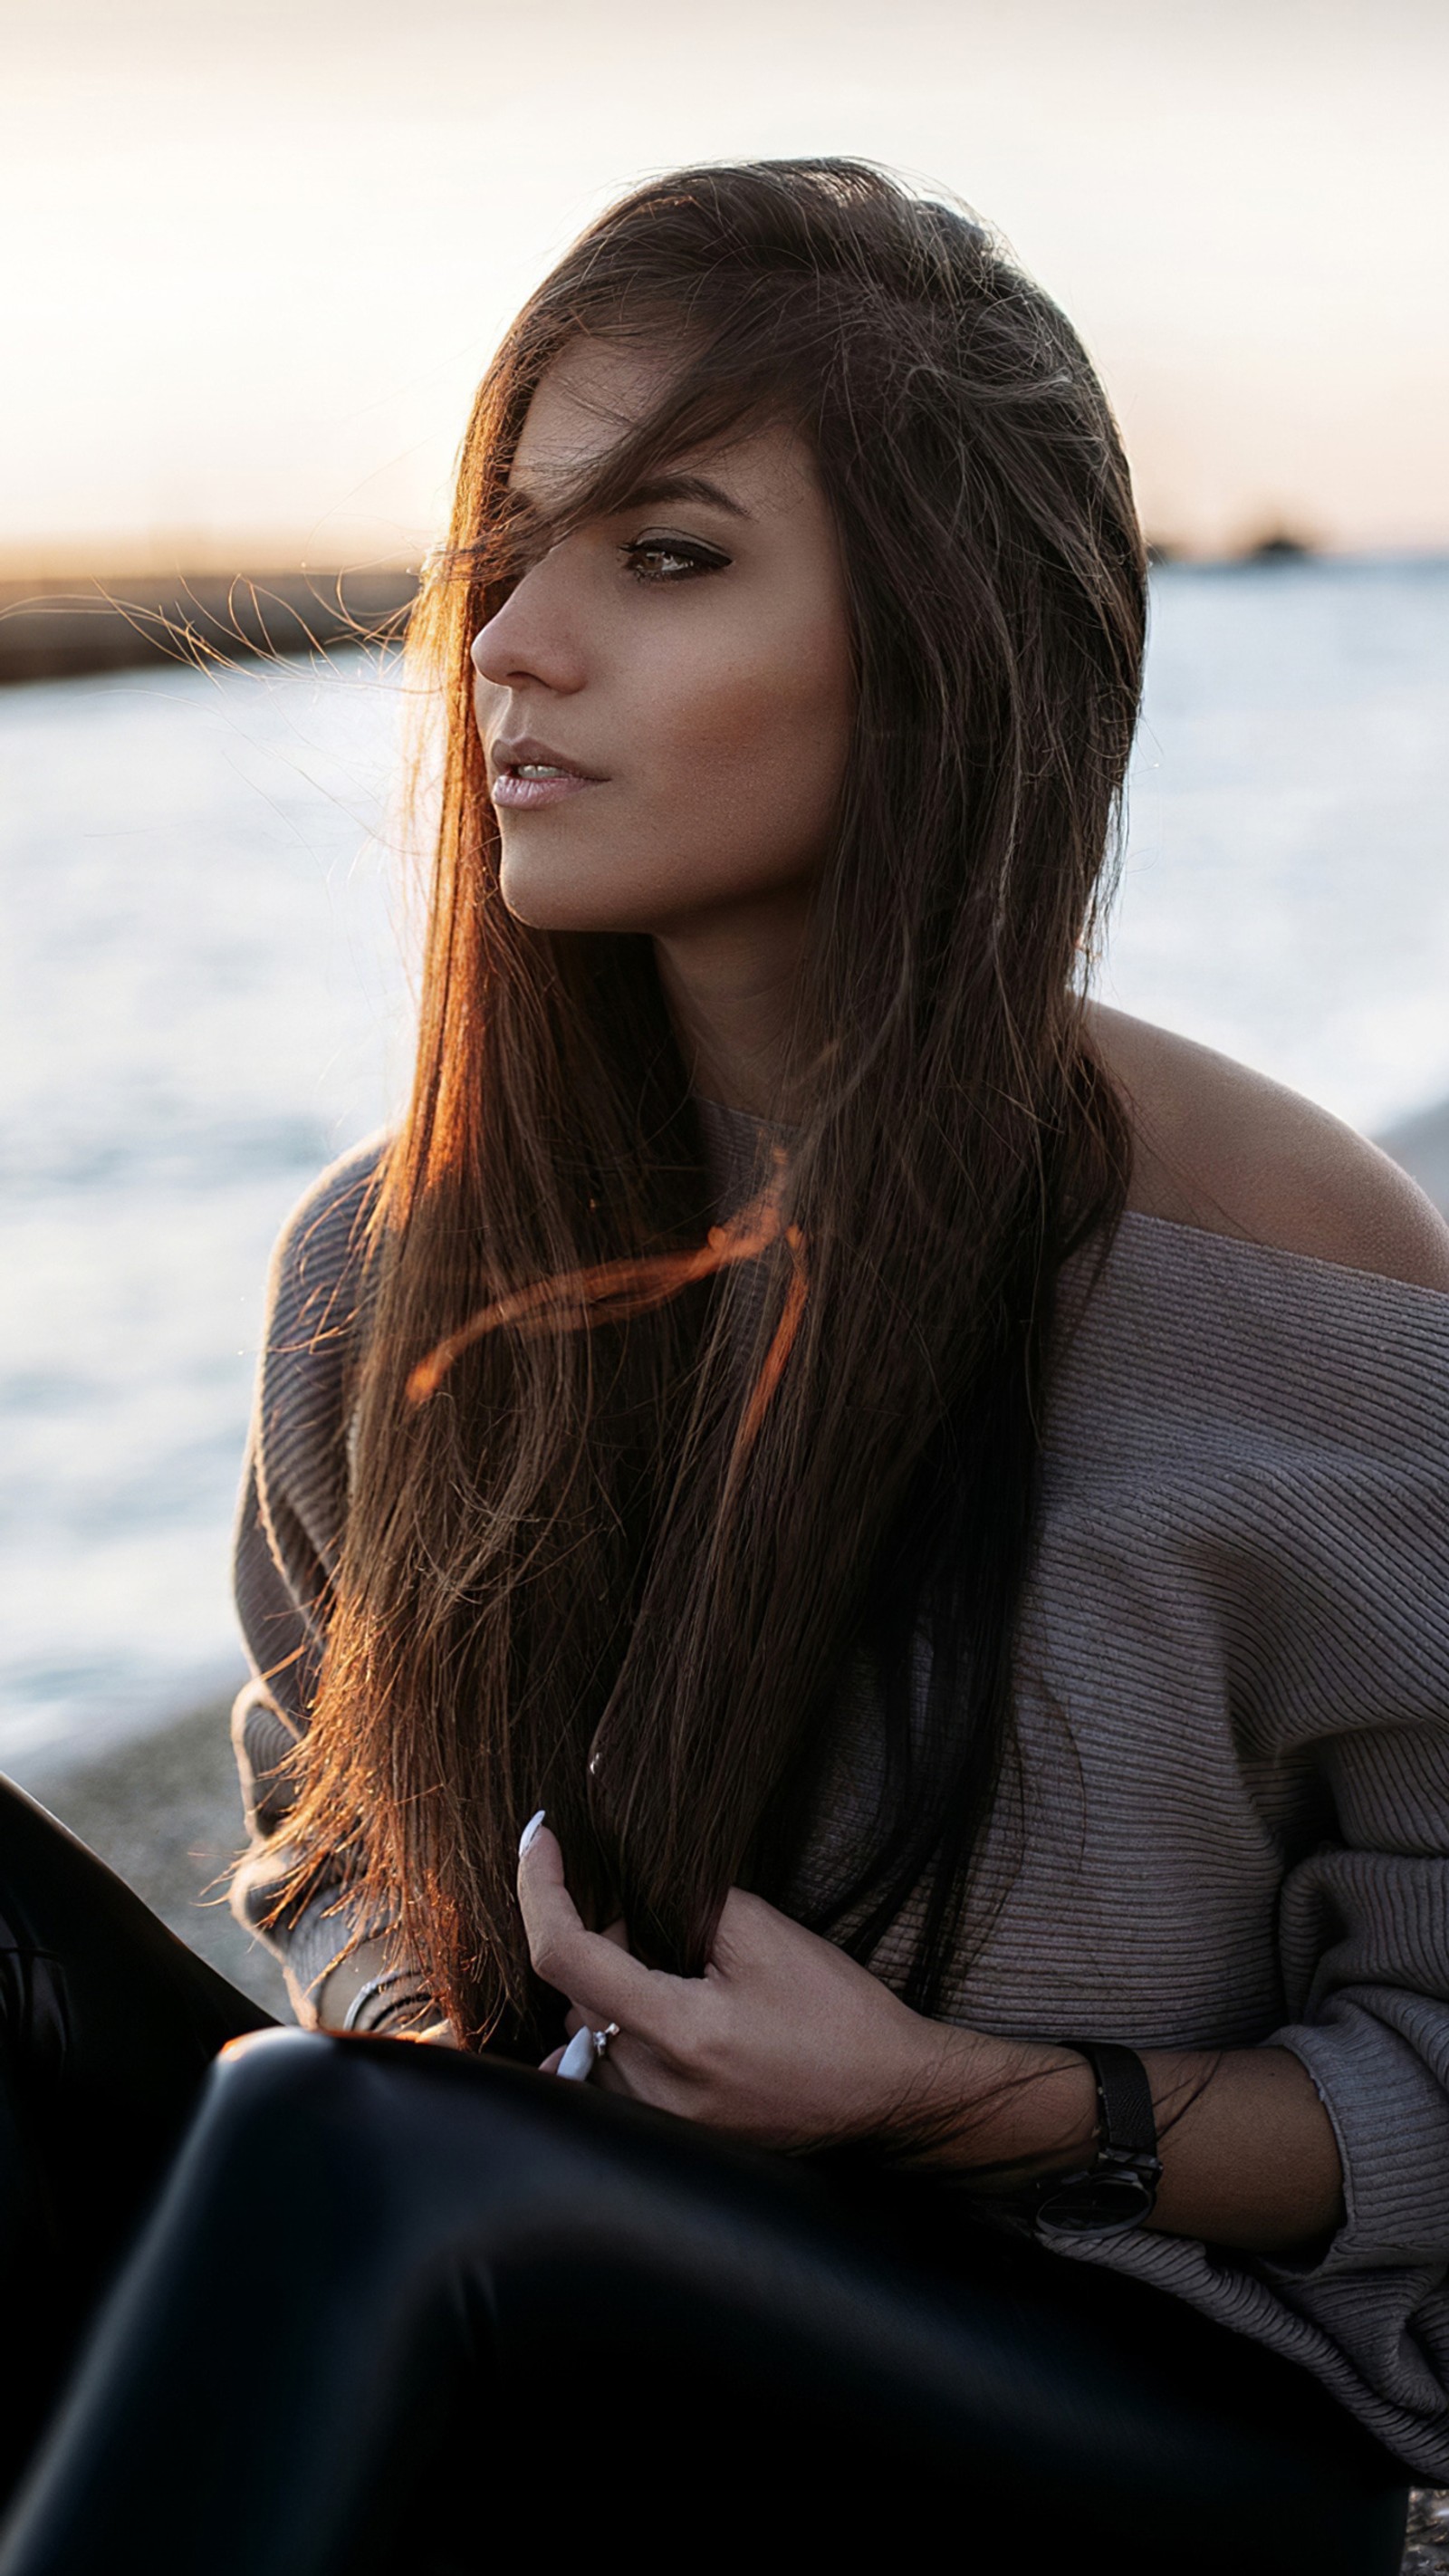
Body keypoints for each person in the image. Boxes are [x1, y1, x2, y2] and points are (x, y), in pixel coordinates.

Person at [0, 159, 1445, 2576]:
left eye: (665, 558)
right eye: (509, 545)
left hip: (1212, 2415)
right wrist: (471, 2028)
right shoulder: (392, 1261)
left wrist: (946, 2101)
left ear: (952, 648)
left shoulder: (1307, 1301)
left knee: (353, 2166)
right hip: (574, 2263)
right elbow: (322, 1831)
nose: (511, 647)